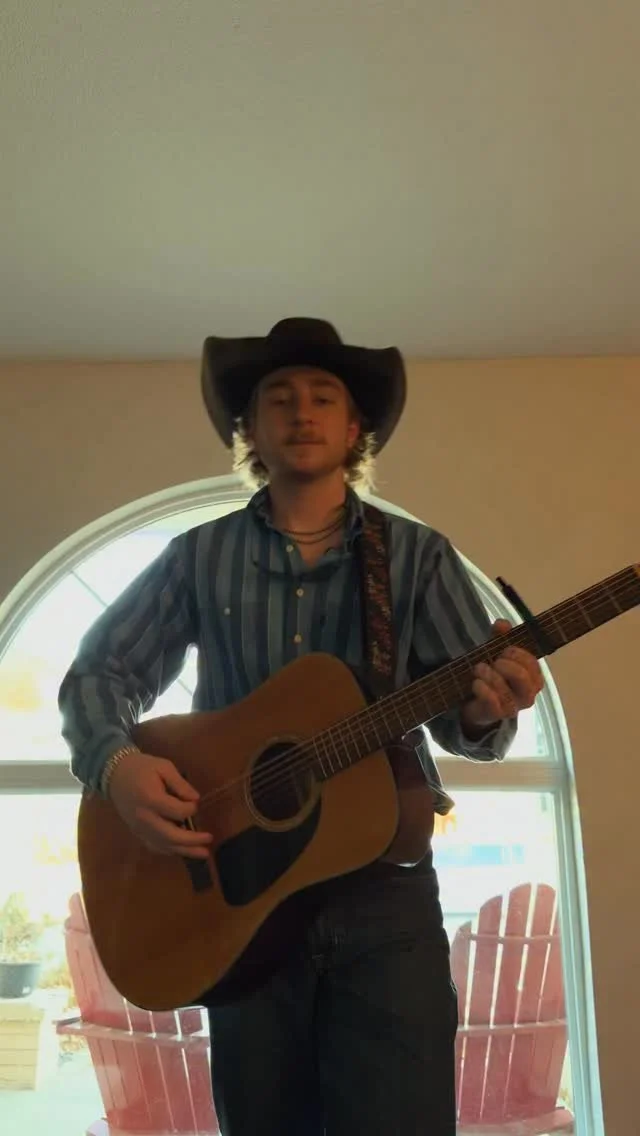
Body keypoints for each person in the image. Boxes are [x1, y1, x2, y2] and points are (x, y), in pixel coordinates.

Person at [58, 318, 544, 1136]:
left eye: (324, 397)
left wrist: (485, 705)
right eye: (278, 398)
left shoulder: (416, 556)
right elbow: (96, 675)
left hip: (384, 894)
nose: (302, 411)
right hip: (238, 896)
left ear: (355, 430)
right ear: (249, 430)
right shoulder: (197, 557)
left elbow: (469, 724)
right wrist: (118, 767)